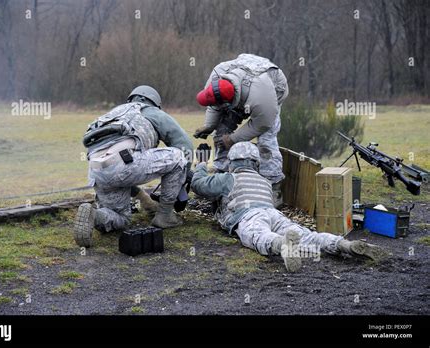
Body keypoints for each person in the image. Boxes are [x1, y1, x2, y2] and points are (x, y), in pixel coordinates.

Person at [191, 141, 384, 272]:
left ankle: (281, 245)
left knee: (256, 235)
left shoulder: (228, 178)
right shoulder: (264, 181)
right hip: (273, 213)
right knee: (307, 235)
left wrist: (200, 164)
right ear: (256, 163)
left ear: (232, 163)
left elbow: (199, 186)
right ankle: (343, 245)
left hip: (249, 215)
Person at [74, 85, 193, 247]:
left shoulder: (113, 114)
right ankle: (165, 216)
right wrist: (184, 176)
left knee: (120, 218)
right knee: (179, 157)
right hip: (125, 162)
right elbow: (184, 145)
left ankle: (94, 216)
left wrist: (144, 199)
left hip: (97, 170)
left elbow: (120, 173)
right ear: (152, 101)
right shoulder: (149, 111)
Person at [194, 53, 289, 206]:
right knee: (221, 133)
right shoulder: (217, 76)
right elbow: (214, 106)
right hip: (240, 89)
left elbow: (262, 124)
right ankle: (221, 179)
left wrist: (233, 139)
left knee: (266, 142)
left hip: (272, 88)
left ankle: (273, 188)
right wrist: (209, 125)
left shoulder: (263, 98)